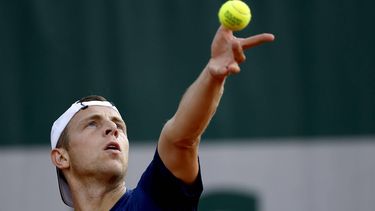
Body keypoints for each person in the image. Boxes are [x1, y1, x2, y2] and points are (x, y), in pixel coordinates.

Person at [50, 26, 274, 210]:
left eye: (119, 125)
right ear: (61, 157)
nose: (112, 129)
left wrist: (212, 76)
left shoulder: (153, 201)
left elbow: (181, 140)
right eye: (92, 123)